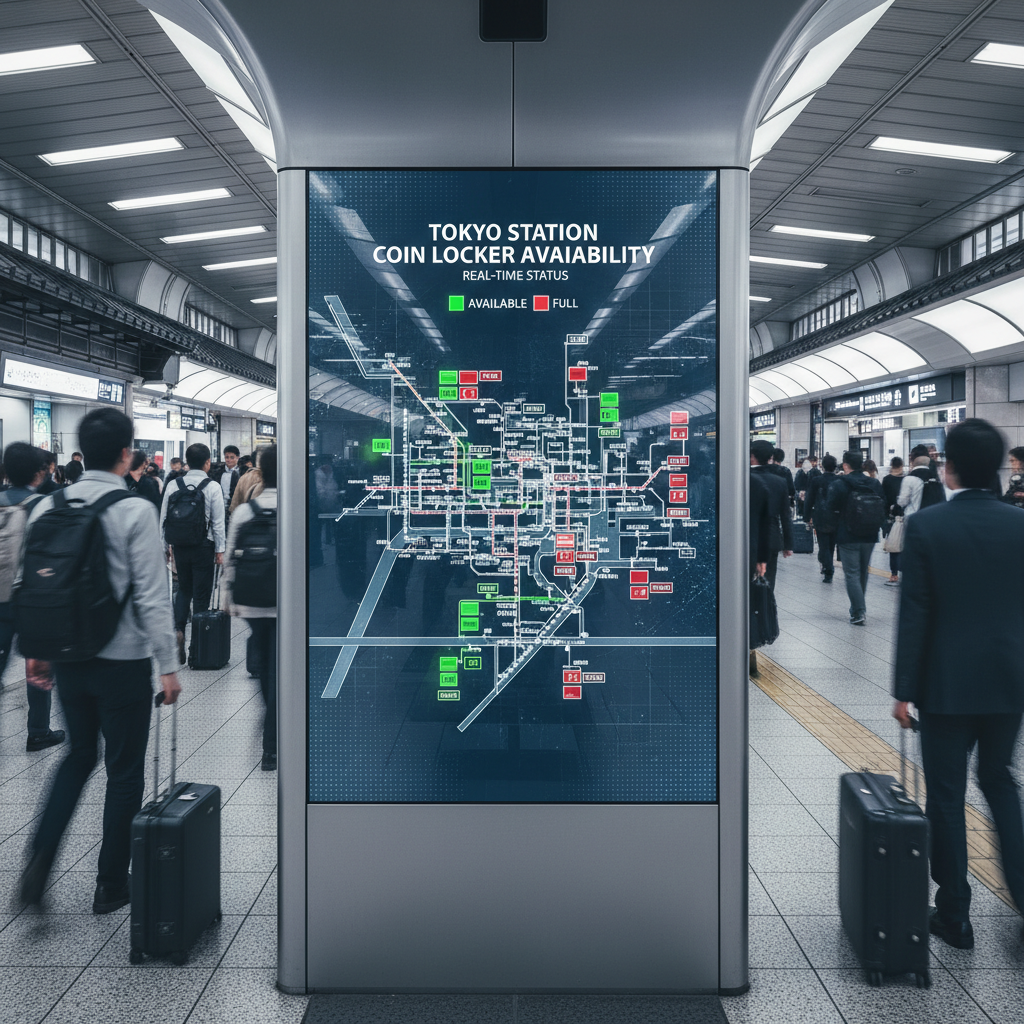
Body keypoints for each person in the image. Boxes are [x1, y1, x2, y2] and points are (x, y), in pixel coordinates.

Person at [18, 408, 181, 913]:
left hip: (69, 659)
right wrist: (169, 665)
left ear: (79, 450)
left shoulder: (47, 507)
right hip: (123, 660)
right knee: (124, 770)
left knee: (78, 756)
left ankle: (39, 861)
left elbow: (37, 587)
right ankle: (110, 884)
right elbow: (154, 597)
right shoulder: (133, 511)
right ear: (127, 453)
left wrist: (38, 652)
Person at [893, 418, 1024, 951]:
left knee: (945, 795)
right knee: (999, 780)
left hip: (945, 685)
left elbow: (916, 613)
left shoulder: (930, 526)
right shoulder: (1020, 524)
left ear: (948, 468)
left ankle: (955, 915)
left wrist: (903, 691)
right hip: (1010, 681)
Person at [0, 443, 65, 752]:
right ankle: (38, 729)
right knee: (37, 660)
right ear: (40, 473)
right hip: (27, 595)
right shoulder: (42, 504)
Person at [222, 445, 277, 770]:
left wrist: (229, 601)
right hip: (286, 605)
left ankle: (271, 738)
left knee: (265, 667)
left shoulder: (245, 512)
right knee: (280, 668)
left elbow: (230, 558)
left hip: (253, 601)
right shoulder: (295, 506)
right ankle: (273, 741)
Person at [160, 443, 226, 665]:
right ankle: (196, 647)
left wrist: (164, 547)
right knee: (201, 595)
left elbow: (164, 519)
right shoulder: (212, 486)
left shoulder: (173, 484)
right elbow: (218, 523)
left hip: (179, 546)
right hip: (203, 547)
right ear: (207, 462)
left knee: (184, 590)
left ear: (187, 461)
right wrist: (220, 550)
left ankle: (179, 629)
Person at [823, 450, 885, 625]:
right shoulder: (874, 483)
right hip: (871, 533)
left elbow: (830, 507)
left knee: (851, 573)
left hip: (847, 533)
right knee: (863, 571)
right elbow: (883, 504)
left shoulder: (840, 483)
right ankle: (857, 608)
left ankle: (858, 611)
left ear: (845, 465)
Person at [750, 440, 793, 592]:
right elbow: (785, 515)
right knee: (767, 583)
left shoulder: (741, 478)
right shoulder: (779, 481)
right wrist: (788, 544)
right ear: (770, 458)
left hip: (744, 538)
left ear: (752, 456)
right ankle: (764, 611)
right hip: (770, 537)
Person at [804, 454, 840, 582]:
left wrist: (807, 516)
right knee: (832, 544)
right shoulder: (839, 481)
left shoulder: (816, 480)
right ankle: (827, 567)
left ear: (822, 466)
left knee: (823, 544)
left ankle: (828, 569)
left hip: (820, 516)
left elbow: (809, 499)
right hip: (836, 517)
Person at [897, 444, 945, 517]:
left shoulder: (909, 479)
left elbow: (902, 502)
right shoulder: (936, 477)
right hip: (933, 517)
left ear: (912, 459)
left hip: (913, 518)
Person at [881, 456, 905, 585]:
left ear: (891, 466)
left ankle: (894, 574)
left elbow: (883, 500)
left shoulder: (886, 480)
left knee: (893, 547)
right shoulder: (907, 479)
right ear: (901, 465)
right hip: (905, 516)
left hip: (891, 518)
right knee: (905, 546)